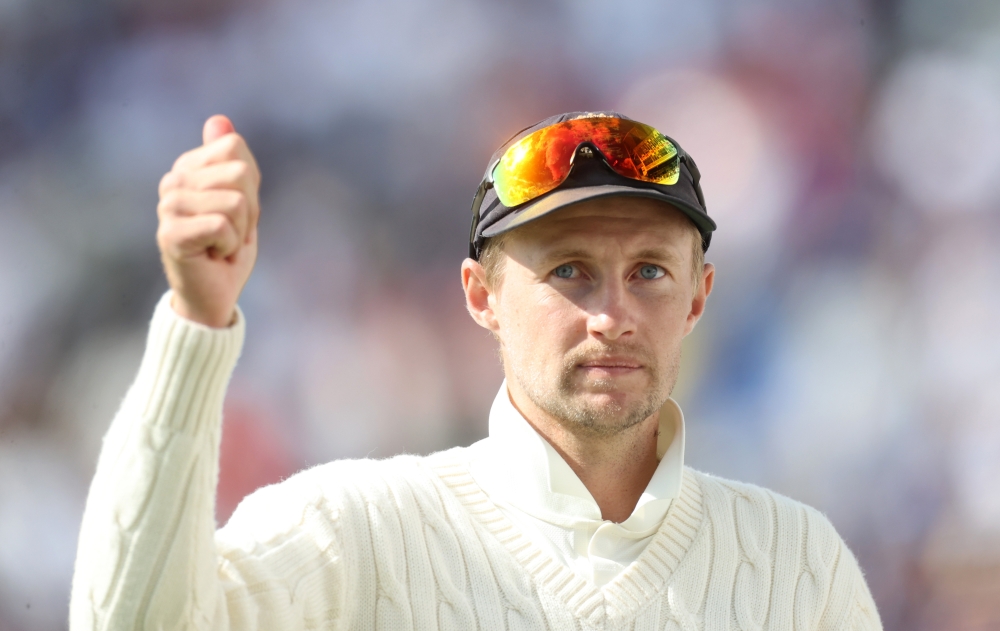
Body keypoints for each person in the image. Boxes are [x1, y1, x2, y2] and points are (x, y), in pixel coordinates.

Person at [69, 112, 882, 630]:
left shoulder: (794, 560)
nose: (611, 313)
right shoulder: (356, 530)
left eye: (649, 272)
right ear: (481, 297)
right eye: (568, 271)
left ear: (699, 298)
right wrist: (197, 322)